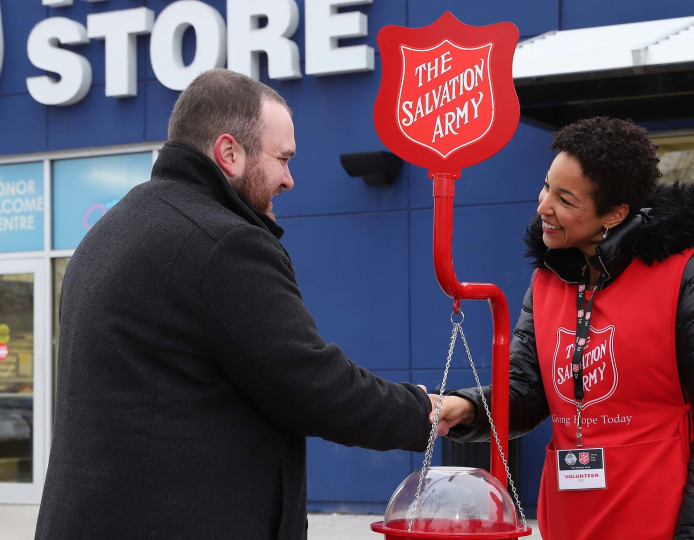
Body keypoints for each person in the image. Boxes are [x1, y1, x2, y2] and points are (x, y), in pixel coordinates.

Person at [35, 69, 438, 540]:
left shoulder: (110, 231)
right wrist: (425, 411)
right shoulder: (222, 243)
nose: (289, 180)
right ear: (229, 153)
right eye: (283, 159)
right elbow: (313, 386)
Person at [436, 117, 694, 539]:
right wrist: (467, 407)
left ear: (615, 213)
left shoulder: (688, 277)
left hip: (661, 520)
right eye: (546, 187)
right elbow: (527, 392)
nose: (543, 206)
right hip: (570, 518)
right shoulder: (546, 282)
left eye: (565, 199)